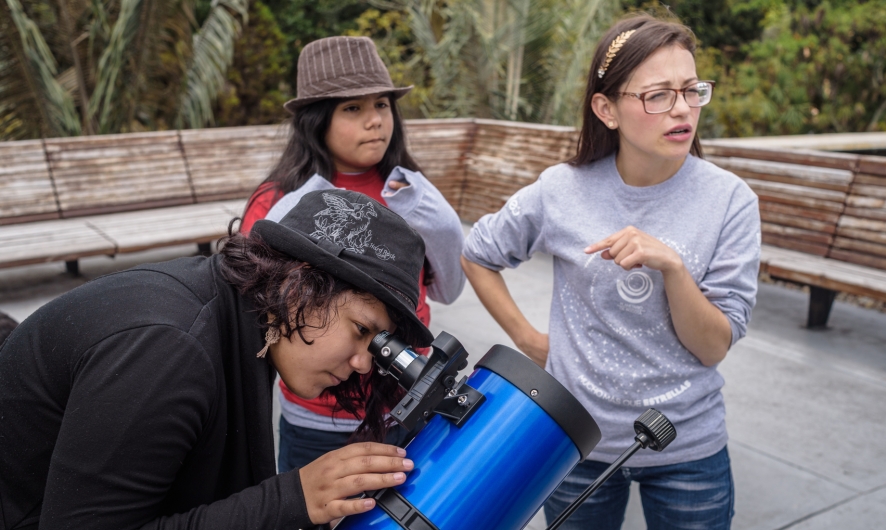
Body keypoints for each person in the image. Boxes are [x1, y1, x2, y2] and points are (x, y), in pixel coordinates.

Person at [461, 14, 760, 530]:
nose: (683, 109)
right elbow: (478, 252)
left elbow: (713, 346)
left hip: (688, 445)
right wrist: (529, 341)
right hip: (576, 440)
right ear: (607, 108)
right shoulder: (561, 190)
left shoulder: (730, 201)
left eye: (691, 91)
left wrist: (672, 266)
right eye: (658, 95)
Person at [0, 189, 431, 530]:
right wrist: (292, 498)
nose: (364, 364)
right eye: (361, 330)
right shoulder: (169, 351)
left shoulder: (236, 317)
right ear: (300, 286)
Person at [238, 36, 465, 473]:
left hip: (407, 407)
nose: (375, 121)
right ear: (316, 121)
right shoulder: (277, 201)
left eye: (381, 105)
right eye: (352, 109)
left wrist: (434, 218)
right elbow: (254, 309)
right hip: (315, 424)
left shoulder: (412, 193)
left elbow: (450, 288)